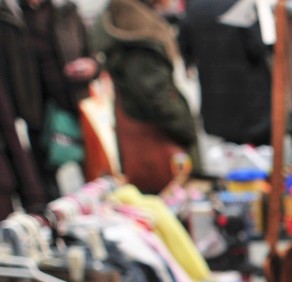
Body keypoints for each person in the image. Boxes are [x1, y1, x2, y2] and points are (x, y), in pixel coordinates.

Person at [95, 0, 199, 192]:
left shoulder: (123, 19)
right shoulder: (138, 33)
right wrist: (186, 128)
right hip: (157, 140)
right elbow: (155, 97)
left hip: (144, 137)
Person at [0, 0, 97, 203]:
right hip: (35, 111)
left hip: (74, 104)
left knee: (93, 173)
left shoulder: (66, 10)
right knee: (46, 182)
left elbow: (93, 55)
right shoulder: (9, 16)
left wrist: (91, 67)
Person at [179, 0, 272, 146]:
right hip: (250, 101)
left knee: (231, 156)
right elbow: (257, 47)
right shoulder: (242, 4)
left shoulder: (194, 8)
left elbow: (186, 48)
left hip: (216, 103)